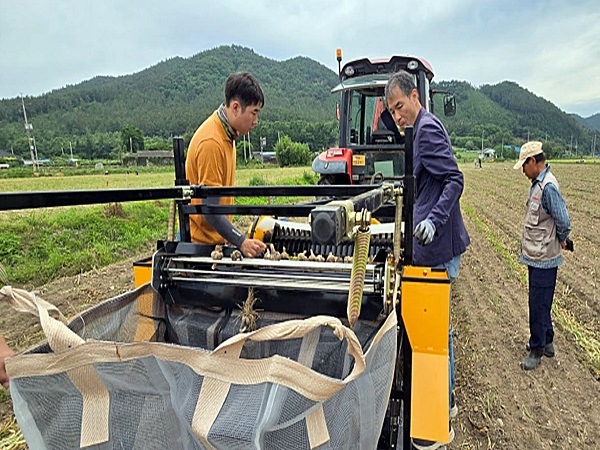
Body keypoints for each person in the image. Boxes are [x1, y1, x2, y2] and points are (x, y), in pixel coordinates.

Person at [385, 70, 470, 450]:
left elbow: (454, 179)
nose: (397, 116)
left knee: (435, 333)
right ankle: (445, 402)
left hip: (438, 247)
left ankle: (440, 412)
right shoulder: (415, 131)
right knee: (438, 331)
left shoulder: (428, 129)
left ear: (415, 97)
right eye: (392, 111)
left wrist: (434, 221)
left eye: (400, 107)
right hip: (428, 243)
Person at [185, 72, 267, 257]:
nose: (256, 121)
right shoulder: (212, 142)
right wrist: (241, 241)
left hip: (217, 240)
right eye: (254, 113)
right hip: (201, 247)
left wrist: (230, 234)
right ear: (236, 108)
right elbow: (210, 210)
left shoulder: (229, 136)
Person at [513, 141, 571, 370]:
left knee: (537, 304)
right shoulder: (539, 183)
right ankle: (547, 341)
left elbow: (564, 221)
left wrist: (562, 238)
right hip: (538, 254)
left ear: (533, 162)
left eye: (524, 166)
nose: (523, 172)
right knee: (543, 302)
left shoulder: (547, 187)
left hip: (544, 257)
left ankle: (536, 349)